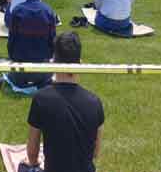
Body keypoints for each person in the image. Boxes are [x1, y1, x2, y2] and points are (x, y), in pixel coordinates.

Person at [22, 32, 104, 172]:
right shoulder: (95, 102)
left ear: (53, 63)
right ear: (80, 64)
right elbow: (95, 153)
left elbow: (32, 155)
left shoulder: (41, 99)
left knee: (24, 167)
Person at [7, 0, 56, 89]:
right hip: (43, 73)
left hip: (20, 74)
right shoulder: (48, 11)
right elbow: (52, 43)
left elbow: (11, 43)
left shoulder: (17, 11)